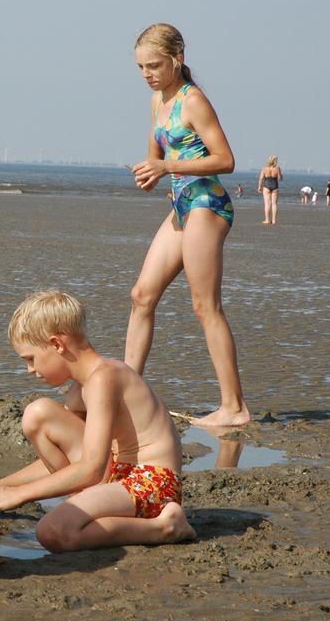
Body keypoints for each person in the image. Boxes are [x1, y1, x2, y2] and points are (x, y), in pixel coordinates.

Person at [0, 291, 195, 552]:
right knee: (39, 415)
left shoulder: (105, 378)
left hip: (152, 482)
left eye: (30, 359)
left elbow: (91, 468)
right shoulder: (78, 390)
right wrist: (0, 486)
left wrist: (21, 494)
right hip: (116, 474)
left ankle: (165, 526)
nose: (30, 370)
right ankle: (85, 507)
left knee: (53, 532)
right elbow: (73, 462)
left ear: (57, 344)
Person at [127, 23, 249, 427]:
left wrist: (167, 165)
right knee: (141, 296)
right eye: (142, 67)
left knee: (205, 307)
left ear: (177, 58)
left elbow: (226, 160)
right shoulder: (157, 100)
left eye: (155, 65)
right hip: (181, 206)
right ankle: (126, 393)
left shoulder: (192, 100)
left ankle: (234, 408)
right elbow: (156, 153)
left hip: (207, 204)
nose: (148, 73)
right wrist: (151, 172)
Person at [257, 155, 283, 225]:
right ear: (275, 161)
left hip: (266, 186)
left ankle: (267, 220)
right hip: (275, 186)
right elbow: (280, 179)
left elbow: (261, 179)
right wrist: (279, 172)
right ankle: (274, 220)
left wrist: (259, 186)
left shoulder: (264, 169)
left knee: (267, 204)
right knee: (274, 204)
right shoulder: (277, 168)